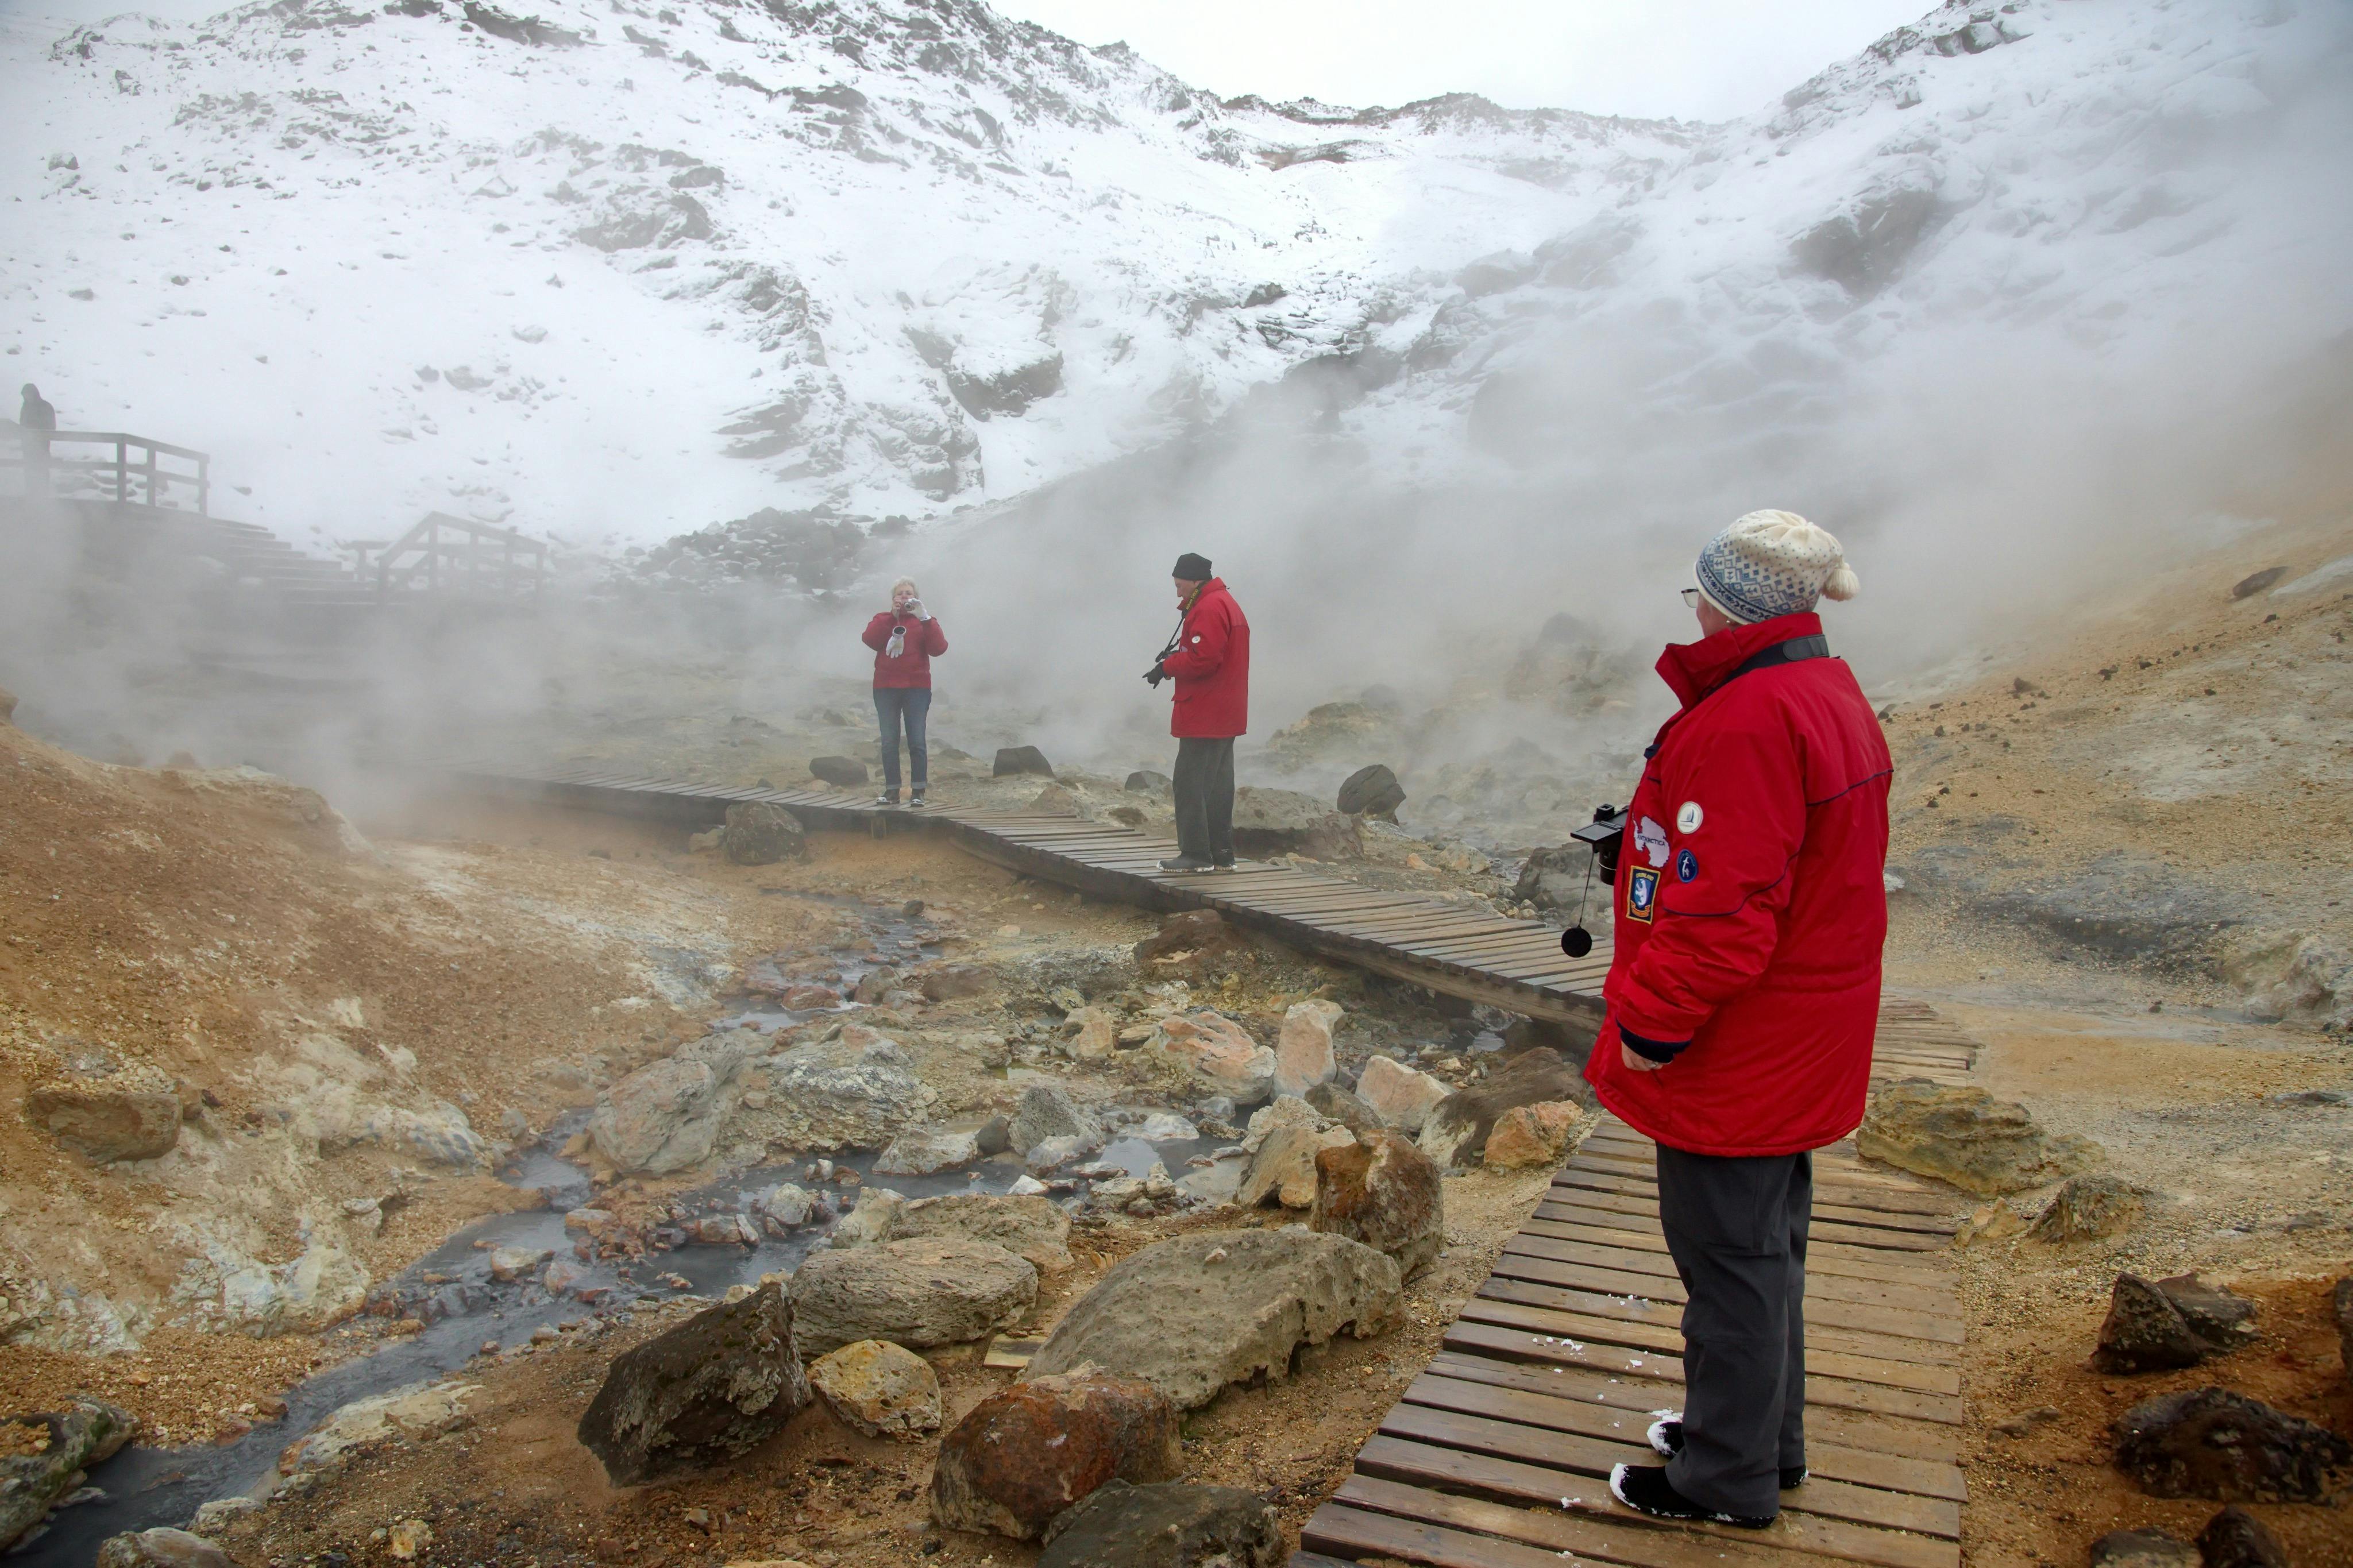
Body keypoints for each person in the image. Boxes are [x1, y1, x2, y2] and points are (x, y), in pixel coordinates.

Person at [1584, 510, 1891, 1530]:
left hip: (1743, 1045)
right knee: (1763, 1252)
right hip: (1800, 1028)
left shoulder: (1748, 719)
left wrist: (1651, 1025)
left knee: (1729, 1264)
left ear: (1732, 606)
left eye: (1701, 596)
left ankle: (1723, 1479)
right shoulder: (1823, 689)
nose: (1697, 612)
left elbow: (1723, 916)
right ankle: (1758, 1439)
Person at [1145, 552, 1249, 872]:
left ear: (1194, 581)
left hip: (1205, 712)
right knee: (1218, 786)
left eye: (1179, 585)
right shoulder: (1225, 602)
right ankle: (1222, 854)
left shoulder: (1208, 607)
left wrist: (1167, 667)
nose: (1177, 592)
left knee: (1189, 783)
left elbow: (1204, 659)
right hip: (1225, 712)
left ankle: (1195, 855)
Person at [861, 577, 946, 807]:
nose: (905, 597)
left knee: (916, 741)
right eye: (900, 593)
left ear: (916, 597)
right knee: (889, 741)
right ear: (893, 598)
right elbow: (869, 640)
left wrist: (925, 619)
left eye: (909, 593)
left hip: (917, 689)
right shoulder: (883, 619)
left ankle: (918, 791)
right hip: (886, 688)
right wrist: (892, 617)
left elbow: (939, 649)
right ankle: (892, 791)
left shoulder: (924, 621)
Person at [17, 384, 56, 496]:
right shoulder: (25, 408)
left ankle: (44, 497)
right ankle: (30, 497)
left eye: (28, 394)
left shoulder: (46, 406)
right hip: (28, 448)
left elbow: (52, 427)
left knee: (42, 471)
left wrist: (38, 433)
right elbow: (22, 425)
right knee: (29, 472)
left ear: (34, 394)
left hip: (42, 447)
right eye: (25, 395)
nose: (27, 397)